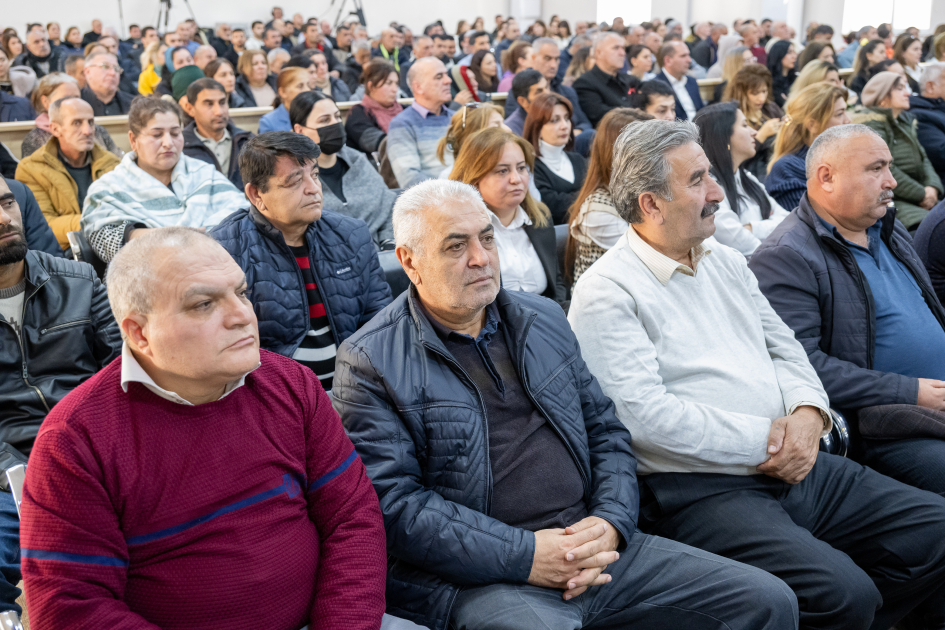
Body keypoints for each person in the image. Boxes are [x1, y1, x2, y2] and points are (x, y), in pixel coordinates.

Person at [332, 176, 799, 630]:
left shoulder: (542, 318)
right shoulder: (371, 361)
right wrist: (527, 555)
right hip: (486, 576)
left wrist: (611, 522)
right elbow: (396, 505)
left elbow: (606, 431)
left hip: (596, 541)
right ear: (409, 261)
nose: (480, 259)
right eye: (456, 246)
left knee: (766, 601)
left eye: (487, 239)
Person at [567, 118, 945, 630]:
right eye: (697, 179)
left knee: (935, 530)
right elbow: (643, 420)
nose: (718, 192)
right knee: (842, 592)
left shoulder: (724, 260)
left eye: (710, 175)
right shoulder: (607, 291)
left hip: (796, 464)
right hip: (701, 487)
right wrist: (771, 442)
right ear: (650, 203)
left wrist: (810, 415)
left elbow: (788, 352)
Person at [19, 226, 395, 629]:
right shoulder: (76, 441)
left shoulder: (290, 383)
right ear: (139, 333)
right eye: (203, 304)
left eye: (242, 292)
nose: (242, 316)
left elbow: (351, 516)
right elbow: (72, 606)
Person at [753, 123, 945, 504]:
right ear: (826, 177)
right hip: (887, 426)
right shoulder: (787, 255)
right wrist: (912, 391)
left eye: (889, 167)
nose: (891, 181)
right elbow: (802, 365)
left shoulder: (885, 228)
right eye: (875, 169)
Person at [0, 175, 120, 627]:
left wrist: (90, 448)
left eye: (7, 203)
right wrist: (13, 471)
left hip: (90, 445)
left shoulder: (80, 278)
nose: (3, 218)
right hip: (9, 465)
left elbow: (119, 373)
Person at [212, 131, 391, 392]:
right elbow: (228, 347)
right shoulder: (224, 251)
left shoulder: (352, 234)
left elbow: (380, 322)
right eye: (295, 181)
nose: (314, 188)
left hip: (357, 391)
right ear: (256, 194)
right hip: (275, 398)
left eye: (315, 175)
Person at [81, 98, 245, 263]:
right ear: (133, 140)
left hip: (218, 268)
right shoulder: (109, 188)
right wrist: (177, 239)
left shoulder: (205, 174)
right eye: (157, 134)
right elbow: (104, 238)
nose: (168, 143)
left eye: (175, 133)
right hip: (143, 278)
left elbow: (242, 215)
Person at [449, 127, 564, 302]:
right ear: (474, 177)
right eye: (502, 171)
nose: (516, 179)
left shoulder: (540, 216)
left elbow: (557, 284)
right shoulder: (457, 230)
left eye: (521, 168)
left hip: (545, 318)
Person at [291, 91, 397, 248]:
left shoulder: (357, 161)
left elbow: (388, 204)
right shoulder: (293, 176)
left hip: (378, 255)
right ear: (300, 130)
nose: (335, 124)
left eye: (337, 117)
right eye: (325, 120)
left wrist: (388, 243)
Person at [15, 96, 120, 249]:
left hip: (111, 245)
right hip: (63, 253)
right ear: (55, 129)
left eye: (91, 122)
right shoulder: (31, 168)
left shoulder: (111, 163)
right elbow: (44, 225)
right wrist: (99, 219)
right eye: (77, 123)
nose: (88, 131)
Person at [567, 108, 653, 286]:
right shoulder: (597, 211)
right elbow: (653, 257)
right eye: (649, 148)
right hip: (605, 302)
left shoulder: (641, 192)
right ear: (621, 155)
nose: (657, 156)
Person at [693, 102, 788, 255]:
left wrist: (751, 227)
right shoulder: (708, 190)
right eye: (745, 125)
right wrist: (769, 226)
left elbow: (788, 220)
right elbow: (741, 244)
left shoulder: (747, 178)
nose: (754, 133)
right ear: (724, 138)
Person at [854, 72, 942, 230]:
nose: (908, 92)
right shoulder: (871, 126)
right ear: (883, 95)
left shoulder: (905, 120)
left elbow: (924, 159)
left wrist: (933, 187)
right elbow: (884, 170)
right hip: (893, 199)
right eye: (900, 88)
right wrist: (922, 194)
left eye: (906, 87)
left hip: (923, 194)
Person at [766, 83, 850, 210]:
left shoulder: (838, 158)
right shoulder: (787, 169)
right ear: (813, 125)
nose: (848, 120)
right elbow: (816, 223)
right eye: (839, 114)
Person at [387, 57, 455, 188]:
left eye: (446, 75)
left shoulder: (458, 119)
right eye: (439, 77)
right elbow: (410, 179)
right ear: (418, 87)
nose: (448, 80)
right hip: (436, 202)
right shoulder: (402, 124)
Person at [20, 73, 119, 159]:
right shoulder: (35, 139)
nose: (74, 104)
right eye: (66, 99)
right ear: (46, 102)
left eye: (77, 98)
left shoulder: (97, 130)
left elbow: (116, 159)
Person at [525, 93, 587, 225]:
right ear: (537, 128)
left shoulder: (578, 159)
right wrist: (588, 196)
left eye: (567, 118)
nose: (565, 126)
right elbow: (551, 206)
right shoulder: (529, 166)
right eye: (555, 120)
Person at [182, 78, 254, 191]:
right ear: (190, 109)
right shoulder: (181, 147)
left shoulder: (248, 141)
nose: (219, 111)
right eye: (209, 104)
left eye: (222, 102)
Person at [725, 65, 784, 181]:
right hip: (752, 172)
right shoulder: (733, 116)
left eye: (764, 91)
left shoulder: (770, 108)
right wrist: (761, 135)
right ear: (742, 93)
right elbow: (735, 157)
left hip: (778, 164)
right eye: (755, 93)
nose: (761, 98)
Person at [572, 33, 638, 127]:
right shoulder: (585, 84)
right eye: (616, 48)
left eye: (623, 48)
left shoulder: (629, 79)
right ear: (599, 53)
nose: (622, 53)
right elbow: (603, 116)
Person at [345, 59, 403, 157]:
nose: (395, 89)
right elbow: (379, 143)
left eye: (396, 83)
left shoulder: (404, 109)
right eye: (389, 83)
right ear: (371, 86)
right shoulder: (357, 114)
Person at [80, 51, 134, 115]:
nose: (113, 73)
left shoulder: (133, 104)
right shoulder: (77, 102)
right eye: (105, 67)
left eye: (116, 69)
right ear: (87, 71)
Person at [257, 67, 308, 133]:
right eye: (300, 86)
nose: (307, 90)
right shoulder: (268, 122)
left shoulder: (314, 115)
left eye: (308, 85)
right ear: (283, 92)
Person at [766, 40, 797, 107]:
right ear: (779, 54)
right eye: (789, 52)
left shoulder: (795, 79)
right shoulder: (769, 81)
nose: (794, 56)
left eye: (794, 52)